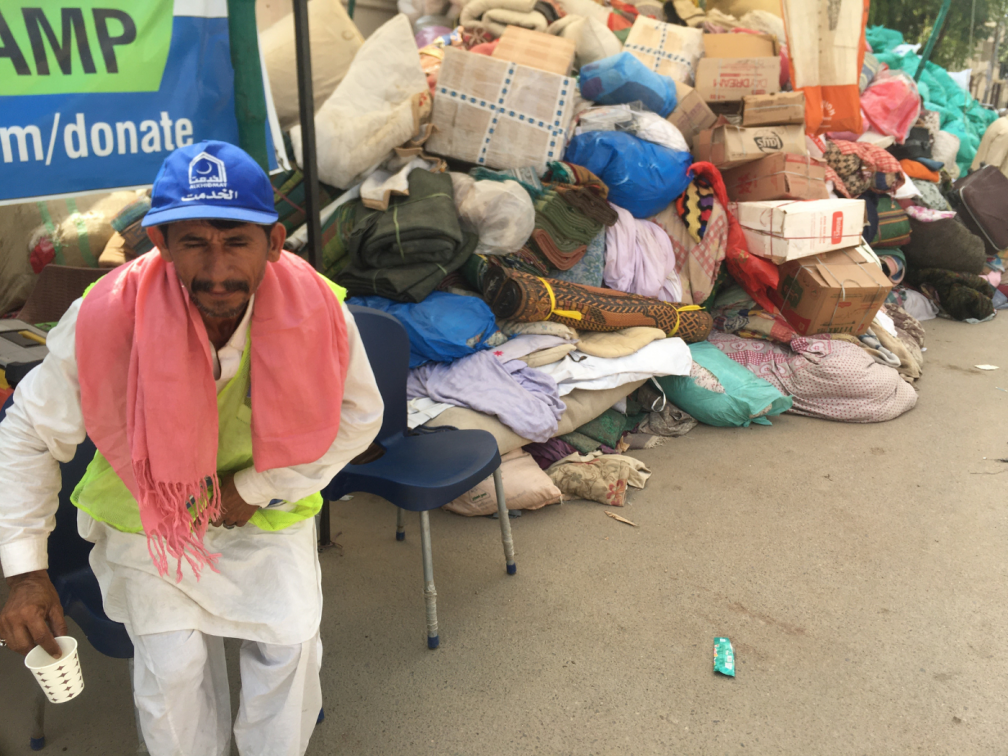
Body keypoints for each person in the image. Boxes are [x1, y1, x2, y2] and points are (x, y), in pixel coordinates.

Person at [0, 141, 384, 756]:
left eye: (236, 242)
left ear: (276, 242)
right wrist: (25, 571)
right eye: (193, 243)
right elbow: (28, 430)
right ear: (160, 244)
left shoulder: (318, 309)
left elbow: (360, 417)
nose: (216, 270)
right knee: (172, 669)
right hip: (148, 513)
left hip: (268, 504)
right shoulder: (104, 316)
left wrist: (252, 488)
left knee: (287, 649)